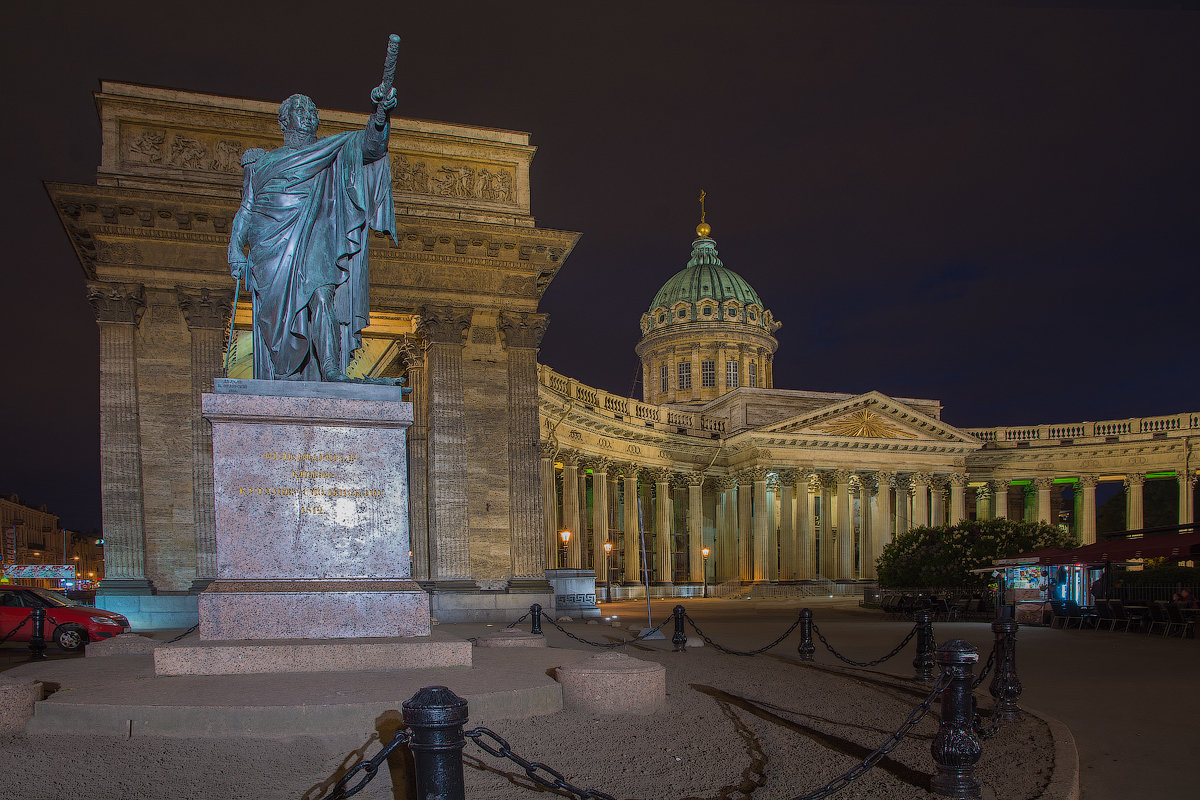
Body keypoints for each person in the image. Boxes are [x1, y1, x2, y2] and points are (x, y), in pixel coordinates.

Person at [228, 87, 398, 382]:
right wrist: (234, 249)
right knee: (279, 322)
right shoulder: (263, 164)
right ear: (284, 121)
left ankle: (332, 368)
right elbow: (248, 208)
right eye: (300, 111)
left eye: (312, 112)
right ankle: (289, 370)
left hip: (315, 240)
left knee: (322, 296)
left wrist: (380, 117)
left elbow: (371, 147)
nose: (308, 117)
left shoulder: (330, 152)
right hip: (272, 250)